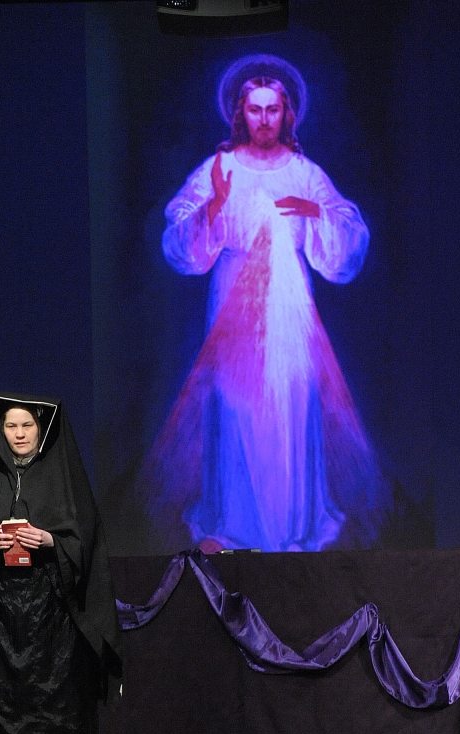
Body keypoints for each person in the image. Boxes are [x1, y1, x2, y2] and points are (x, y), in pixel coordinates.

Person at [143, 53, 386, 553]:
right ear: (239, 112)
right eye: (254, 110)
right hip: (234, 299)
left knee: (290, 404)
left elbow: (348, 231)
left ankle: (292, 525)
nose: (264, 120)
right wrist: (213, 204)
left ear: (287, 113)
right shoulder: (221, 168)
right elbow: (178, 238)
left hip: (290, 302)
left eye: (273, 110)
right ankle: (236, 526)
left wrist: (316, 211)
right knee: (236, 406)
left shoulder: (303, 171)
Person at [0, 393, 122, 734]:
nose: (18, 434)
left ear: (42, 428)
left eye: (27, 425)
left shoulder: (61, 473)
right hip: (3, 606)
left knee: (57, 693)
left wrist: (49, 538)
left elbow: (86, 536)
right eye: (10, 426)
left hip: (52, 605)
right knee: (3, 693)